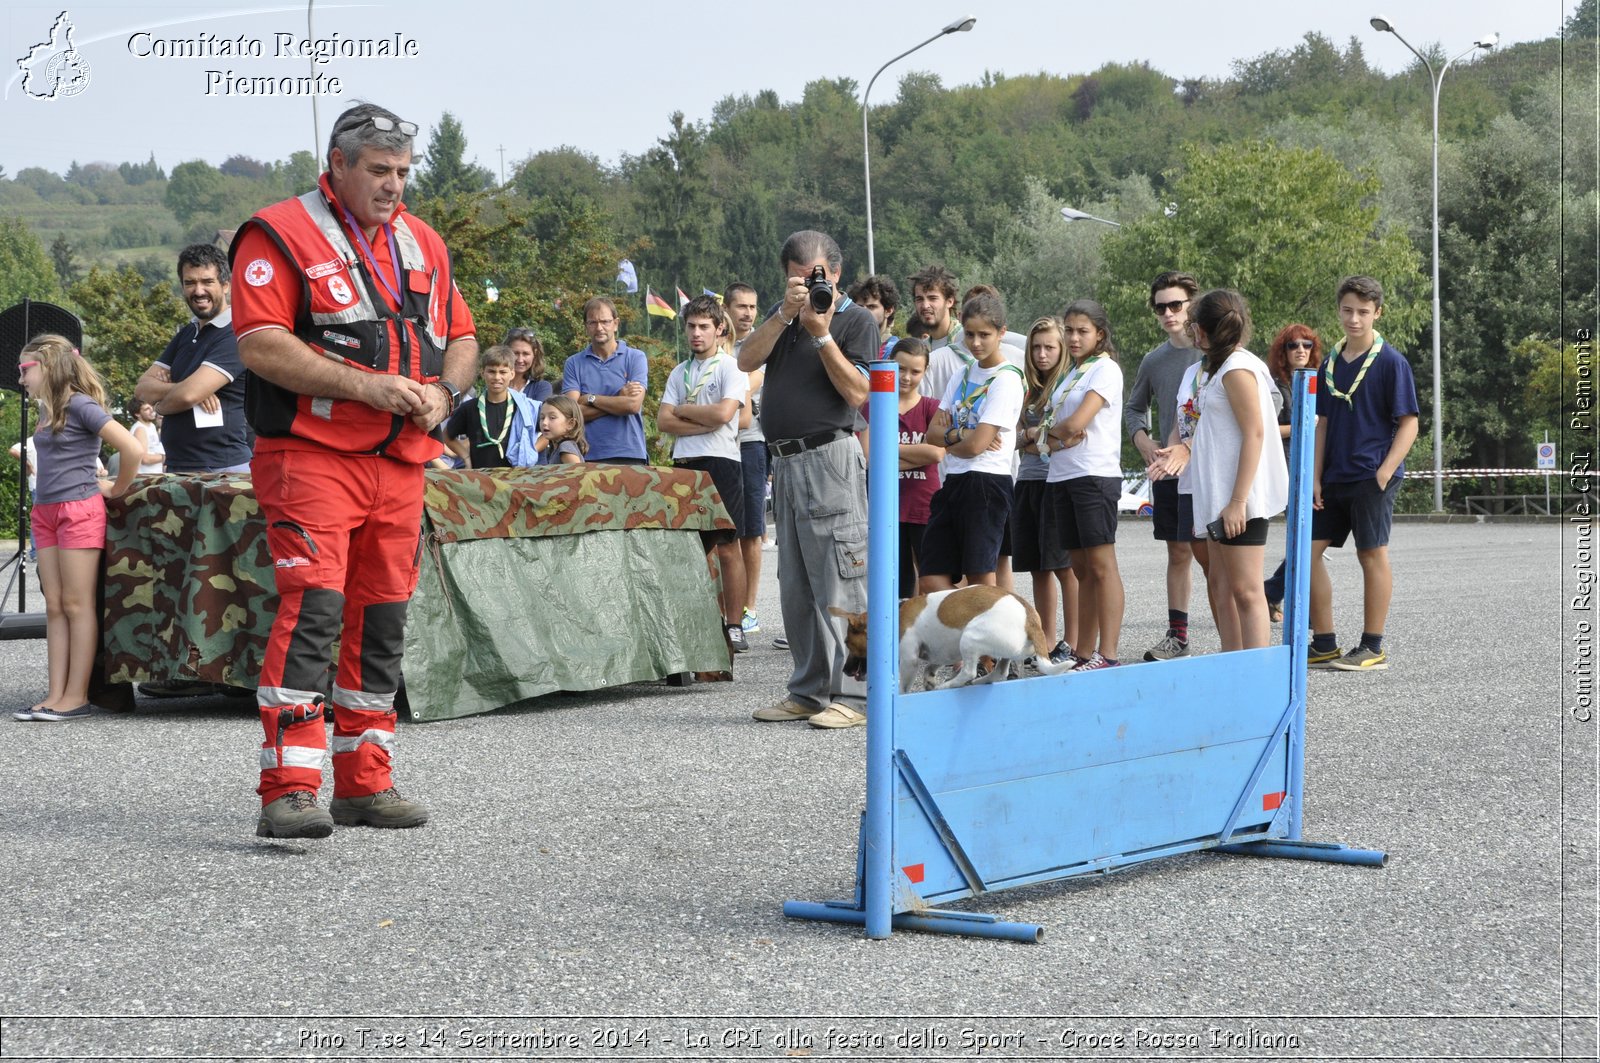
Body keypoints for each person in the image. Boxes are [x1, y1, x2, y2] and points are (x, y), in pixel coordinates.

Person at [229, 102, 478, 839]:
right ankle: (288, 786)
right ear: (337, 165)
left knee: (382, 620)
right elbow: (259, 343)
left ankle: (365, 781)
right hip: (311, 455)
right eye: (379, 170)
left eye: (403, 172)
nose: (394, 185)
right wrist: (364, 385)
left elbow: (461, 337)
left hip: (401, 461)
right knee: (315, 610)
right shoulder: (279, 231)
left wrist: (445, 392)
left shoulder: (424, 242)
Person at [737, 230, 876, 730]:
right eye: (796, 277)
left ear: (836, 273)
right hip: (785, 462)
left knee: (844, 579)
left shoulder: (857, 320)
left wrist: (821, 332)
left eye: (815, 275)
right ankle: (809, 690)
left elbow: (860, 393)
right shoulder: (783, 316)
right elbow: (744, 361)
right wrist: (783, 316)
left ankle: (859, 696)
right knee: (795, 584)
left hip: (830, 457)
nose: (807, 284)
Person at [12, 334, 144, 722]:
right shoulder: (47, 409)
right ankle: (55, 694)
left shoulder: (81, 404)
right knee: (54, 605)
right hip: (46, 512)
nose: (21, 378)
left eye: (25, 370)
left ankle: (76, 696)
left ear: (48, 366)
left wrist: (115, 489)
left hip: (78, 510)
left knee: (76, 603)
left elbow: (131, 449)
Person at [1150, 290, 1288, 652]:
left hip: (1238, 499)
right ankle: (1231, 667)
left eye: (1194, 324)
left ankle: (1257, 678)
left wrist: (1238, 500)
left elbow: (1256, 432)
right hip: (1216, 496)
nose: (1191, 331)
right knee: (1222, 587)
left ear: (1204, 330)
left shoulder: (1238, 369)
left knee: (1246, 591)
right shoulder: (1216, 369)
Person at [1309, 275, 1419, 672]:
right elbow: (1321, 423)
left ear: (1377, 313)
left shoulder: (1391, 361)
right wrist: (1315, 475)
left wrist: (1386, 471)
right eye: (1347, 310)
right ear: (1338, 310)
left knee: (1370, 554)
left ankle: (1372, 646)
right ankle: (1324, 643)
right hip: (1333, 475)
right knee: (1307, 554)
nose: (1354, 319)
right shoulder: (1329, 363)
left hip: (1371, 474)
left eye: (1363, 312)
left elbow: (1409, 422)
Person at [658, 295, 749, 652]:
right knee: (692, 550)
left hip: (721, 461)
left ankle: (735, 623)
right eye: (691, 326)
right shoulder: (678, 372)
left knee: (727, 546)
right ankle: (700, 623)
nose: (696, 333)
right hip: (685, 464)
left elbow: (725, 414)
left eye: (704, 327)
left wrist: (684, 413)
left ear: (719, 328)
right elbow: (664, 420)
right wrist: (695, 418)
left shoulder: (730, 366)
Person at [920, 291, 1025, 592]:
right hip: (954, 479)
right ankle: (958, 631)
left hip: (987, 482)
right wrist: (962, 435)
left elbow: (978, 447)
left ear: (1001, 333)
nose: (976, 343)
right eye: (969, 334)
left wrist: (954, 435)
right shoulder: (963, 373)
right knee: (932, 574)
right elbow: (932, 434)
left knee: (980, 576)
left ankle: (993, 637)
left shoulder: (1005, 379)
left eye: (984, 335)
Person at [1124, 271, 1205, 661]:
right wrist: (1143, 441)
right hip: (1168, 468)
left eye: (1176, 305)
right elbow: (1134, 407)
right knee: (1178, 552)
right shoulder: (1154, 360)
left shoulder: (1215, 352)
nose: (1169, 313)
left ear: (1192, 305)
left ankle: (1237, 638)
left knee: (1215, 555)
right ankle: (1178, 635)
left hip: (1210, 468)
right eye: (1161, 307)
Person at [1043, 299, 1125, 672]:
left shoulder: (1104, 370)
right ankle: (1082, 652)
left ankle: (1106, 654)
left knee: (1101, 566)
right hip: (1062, 474)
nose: (1074, 338)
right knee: (1080, 568)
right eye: (1069, 330)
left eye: (1082, 331)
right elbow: (1050, 432)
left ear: (1100, 334)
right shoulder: (1068, 374)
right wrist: (1050, 437)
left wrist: (1046, 436)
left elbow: (1076, 425)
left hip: (1094, 475)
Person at [133, 243, 253, 474]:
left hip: (222, 469)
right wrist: (183, 390)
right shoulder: (187, 333)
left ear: (225, 285)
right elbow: (142, 389)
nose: (198, 291)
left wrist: (163, 405)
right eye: (190, 283)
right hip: (179, 467)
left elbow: (189, 395)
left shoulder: (236, 332)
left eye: (207, 282)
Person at [1014, 316, 1078, 663]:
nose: (1042, 354)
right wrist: (1035, 438)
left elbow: (1065, 437)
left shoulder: (1067, 385)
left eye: (1049, 347)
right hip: (1027, 482)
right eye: (1036, 347)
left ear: (1062, 349)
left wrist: (1032, 438)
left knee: (1065, 567)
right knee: (1038, 566)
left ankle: (1072, 638)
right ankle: (1046, 638)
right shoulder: (1025, 387)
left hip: (1057, 482)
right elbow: (1010, 439)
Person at [858, 337, 943, 600]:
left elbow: (937, 453)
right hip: (885, 507)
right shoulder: (873, 407)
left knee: (931, 580)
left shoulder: (932, 407)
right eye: (901, 368)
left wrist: (888, 450)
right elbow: (869, 456)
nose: (906, 377)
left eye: (915, 371)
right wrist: (918, 454)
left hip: (923, 505)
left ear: (925, 372)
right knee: (896, 581)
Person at [1262, 324, 1324, 620]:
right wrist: (1302, 425)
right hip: (1287, 468)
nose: (1301, 350)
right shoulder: (1275, 385)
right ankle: (1305, 609)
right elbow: (1263, 428)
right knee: (1307, 538)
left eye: (1307, 345)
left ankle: (1273, 592)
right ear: (1282, 352)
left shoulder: (1319, 380)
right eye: (1293, 345)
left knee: (1311, 539)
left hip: (1315, 468)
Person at [724, 282, 767, 638]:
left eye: (752, 307)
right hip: (716, 445)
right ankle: (727, 606)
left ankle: (750, 608)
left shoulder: (761, 345)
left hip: (752, 442)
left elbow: (744, 387)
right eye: (741, 306)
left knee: (752, 530)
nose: (748, 314)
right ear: (727, 308)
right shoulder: (716, 344)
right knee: (724, 530)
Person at [562, 297, 648, 463]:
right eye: (593, 322)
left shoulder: (636, 357)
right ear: (586, 326)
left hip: (629, 453)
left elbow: (632, 405)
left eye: (605, 322)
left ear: (615, 324)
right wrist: (618, 399)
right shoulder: (573, 363)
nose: (599, 328)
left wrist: (589, 399)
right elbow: (571, 416)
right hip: (587, 455)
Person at [443, 345, 540, 469]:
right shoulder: (469, 408)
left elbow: (547, 433)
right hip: (481, 478)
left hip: (515, 477)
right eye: (491, 371)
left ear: (512, 374)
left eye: (503, 372)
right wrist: (465, 456)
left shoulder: (522, 408)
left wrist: (531, 450)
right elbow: (447, 435)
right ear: (483, 373)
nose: (497, 377)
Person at [848, 274, 901, 356]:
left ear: (888, 310)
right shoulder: (847, 347)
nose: (864, 312)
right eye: (859, 307)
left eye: (871, 307)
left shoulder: (897, 351)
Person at [533, 395, 587, 465]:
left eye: (552, 417)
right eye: (542, 417)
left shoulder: (565, 447)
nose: (544, 422)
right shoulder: (555, 448)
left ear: (571, 424)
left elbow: (578, 474)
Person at [505, 327, 553, 402]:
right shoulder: (496, 383)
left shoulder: (542, 388)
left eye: (526, 354)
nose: (520, 360)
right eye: (515, 353)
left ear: (535, 354)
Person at [131, 402, 165, 474]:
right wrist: (168, 456)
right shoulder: (140, 429)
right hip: (145, 477)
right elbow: (145, 459)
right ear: (137, 414)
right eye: (147, 409)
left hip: (154, 475)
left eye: (151, 407)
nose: (152, 410)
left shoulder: (152, 426)